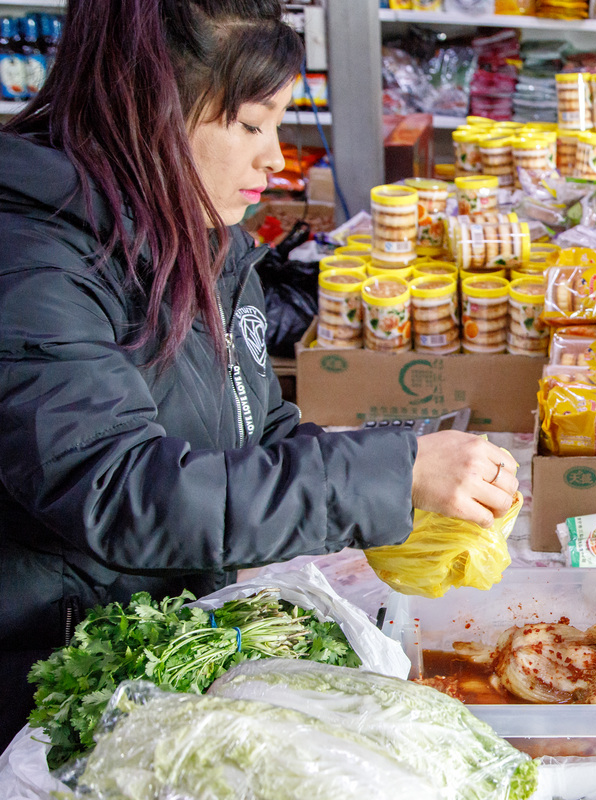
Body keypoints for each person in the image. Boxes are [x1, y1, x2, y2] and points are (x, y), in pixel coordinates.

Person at [0, 0, 517, 743]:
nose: (274, 157)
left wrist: (404, 490)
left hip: (167, 659)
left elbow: (254, 431)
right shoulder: (32, 258)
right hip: (50, 692)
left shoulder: (200, 231)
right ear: (149, 109)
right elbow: (122, 491)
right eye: (251, 124)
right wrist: (387, 473)